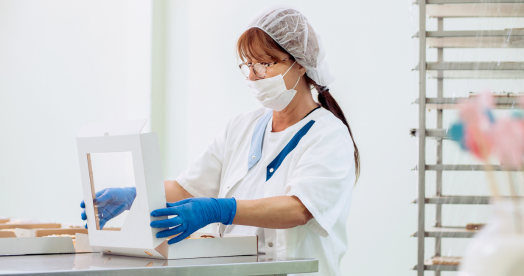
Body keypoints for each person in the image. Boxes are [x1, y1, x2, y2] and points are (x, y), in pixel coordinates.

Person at [80, 5, 360, 276]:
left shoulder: (328, 136)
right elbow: (186, 188)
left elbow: (299, 208)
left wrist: (220, 209)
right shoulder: (243, 127)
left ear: (300, 64)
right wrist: (134, 195)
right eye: (248, 65)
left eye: (263, 65)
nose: (252, 76)